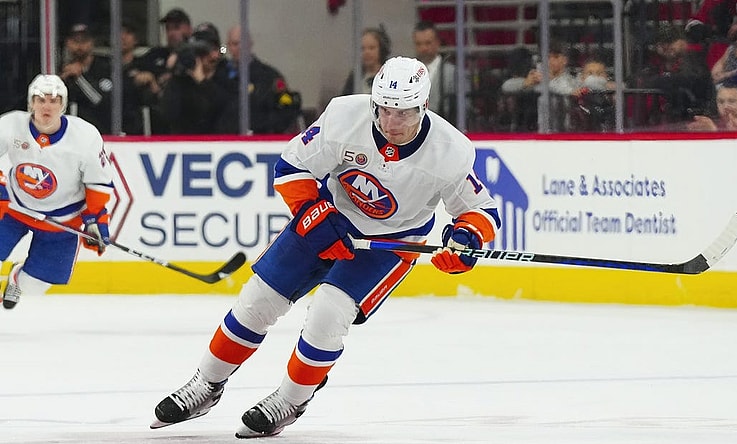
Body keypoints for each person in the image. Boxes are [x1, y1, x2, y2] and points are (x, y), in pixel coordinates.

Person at [150, 56, 501, 438]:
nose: (392, 123)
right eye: (385, 110)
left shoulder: (450, 150)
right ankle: (206, 384)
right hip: (327, 215)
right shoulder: (343, 116)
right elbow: (291, 167)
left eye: (404, 113)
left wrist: (465, 240)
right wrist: (313, 213)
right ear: (373, 103)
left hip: (392, 241)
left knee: (329, 312)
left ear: (424, 107)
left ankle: (291, 399)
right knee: (257, 299)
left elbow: (479, 210)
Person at [0, 74, 113, 309]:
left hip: (62, 219)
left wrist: (95, 220)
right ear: (31, 103)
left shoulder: (85, 137)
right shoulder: (11, 125)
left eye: (54, 100)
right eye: (41, 100)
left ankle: (17, 279)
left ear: (63, 105)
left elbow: (97, 183)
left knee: (35, 286)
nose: (47, 106)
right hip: (15, 208)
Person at [214, 24, 301, 134]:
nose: (240, 48)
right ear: (228, 46)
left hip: (259, 141)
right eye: (235, 44)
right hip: (221, 142)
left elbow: (286, 109)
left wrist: (265, 129)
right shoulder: (219, 75)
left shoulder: (270, 76)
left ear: (250, 43)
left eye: (243, 43)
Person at [159, 22, 231, 134]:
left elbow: (226, 107)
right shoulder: (183, 78)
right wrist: (174, 72)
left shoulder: (226, 73)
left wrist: (202, 81)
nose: (207, 55)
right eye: (201, 51)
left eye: (212, 49)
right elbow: (168, 115)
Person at [59, 23, 113, 134]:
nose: (79, 46)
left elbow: (99, 100)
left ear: (92, 43)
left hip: (97, 134)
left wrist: (79, 78)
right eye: (75, 41)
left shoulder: (105, 67)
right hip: (65, 136)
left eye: (84, 41)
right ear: (68, 43)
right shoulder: (59, 68)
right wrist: (60, 81)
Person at [412, 20, 456, 122]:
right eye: (419, 44)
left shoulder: (452, 72)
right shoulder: (409, 72)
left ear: (437, 43)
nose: (424, 48)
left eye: (428, 43)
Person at [341, 26, 391, 95]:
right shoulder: (355, 76)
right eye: (362, 49)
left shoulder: (389, 75)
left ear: (381, 50)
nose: (366, 53)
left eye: (371, 48)